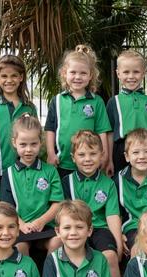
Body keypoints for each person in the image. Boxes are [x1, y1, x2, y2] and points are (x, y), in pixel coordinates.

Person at [62, 130, 123, 277]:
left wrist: (118, 244)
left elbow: (112, 215)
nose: (87, 159)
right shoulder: (67, 182)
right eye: (81, 154)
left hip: (99, 228)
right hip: (75, 228)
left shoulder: (108, 184)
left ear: (102, 155)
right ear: (73, 157)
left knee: (110, 256)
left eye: (93, 154)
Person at [0, 114, 63, 255]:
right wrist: (21, 224)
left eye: (33, 144)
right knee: (20, 246)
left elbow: (58, 204)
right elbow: (6, 207)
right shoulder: (8, 174)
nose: (28, 149)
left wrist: (41, 221)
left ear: (40, 142)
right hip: (19, 227)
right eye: (23, 144)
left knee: (57, 241)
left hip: (46, 226)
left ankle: (49, 275)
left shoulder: (50, 171)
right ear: (14, 142)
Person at [45, 44, 112, 178]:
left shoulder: (96, 101)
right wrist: (51, 153)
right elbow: (50, 129)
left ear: (90, 75)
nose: (78, 77)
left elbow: (102, 131)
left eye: (83, 73)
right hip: (62, 163)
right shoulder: (57, 100)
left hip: (90, 163)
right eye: (73, 72)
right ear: (64, 73)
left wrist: (104, 155)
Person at [106, 50, 147, 172]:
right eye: (126, 72)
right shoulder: (114, 102)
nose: (131, 76)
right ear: (118, 74)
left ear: (143, 73)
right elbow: (109, 133)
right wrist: (109, 160)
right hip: (122, 152)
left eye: (136, 72)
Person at [0, 54, 37, 175]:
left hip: (25, 171)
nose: (9, 80)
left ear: (21, 77)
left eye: (14, 76)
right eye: (4, 76)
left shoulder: (29, 107)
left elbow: (36, 136)